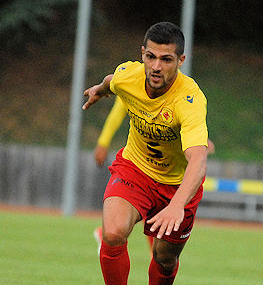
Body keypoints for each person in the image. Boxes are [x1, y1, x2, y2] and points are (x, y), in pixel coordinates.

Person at [82, 22, 208, 285]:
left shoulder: (190, 99)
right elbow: (114, 82)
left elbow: (198, 161)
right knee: (112, 232)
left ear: (181, 60)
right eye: (150, 56)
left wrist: (178, 203)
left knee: (165, 260)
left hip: (178, 187)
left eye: (166, 59)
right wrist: (100, 88)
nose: (156, 66)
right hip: (135, 170)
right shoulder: (130, 75)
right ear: (142, 54)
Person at [92, 98, 215, 257]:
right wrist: (103, 142)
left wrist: (198, 140)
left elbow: (181, 120)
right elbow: (118, 108)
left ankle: (110, 235)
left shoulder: (180, 93)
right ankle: (111, 235)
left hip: (167, 161)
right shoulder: (134, 80)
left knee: (156, 210)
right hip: (142, 160)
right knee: (147, 204)